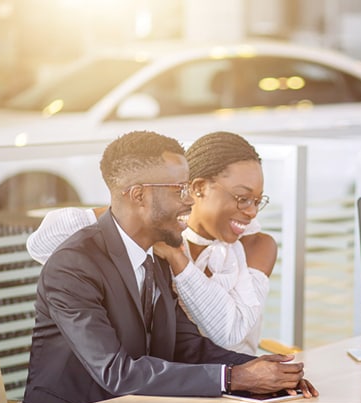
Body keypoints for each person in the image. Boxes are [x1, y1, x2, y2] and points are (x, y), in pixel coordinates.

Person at [5, 130, 317, 403]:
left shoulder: (156, 255)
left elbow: (188, 344)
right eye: (180, 190)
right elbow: (118, 372)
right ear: (139, 195)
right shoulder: (73, 265)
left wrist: (260, 370)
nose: (189, 201)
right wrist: (236, 378)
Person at [26, 131, 276, 355]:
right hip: (170, 384)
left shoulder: (257, 246)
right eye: (243, 198)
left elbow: (229, 332)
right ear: (198, 188)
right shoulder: (158, 234)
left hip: (238, 384)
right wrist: (136, 207)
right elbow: (42, 244)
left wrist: (178, 260)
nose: (252, 212)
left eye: (257, 201)